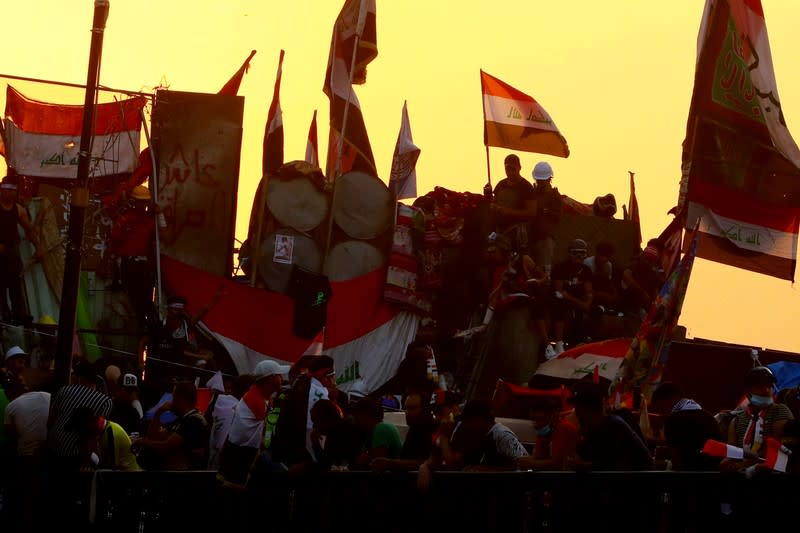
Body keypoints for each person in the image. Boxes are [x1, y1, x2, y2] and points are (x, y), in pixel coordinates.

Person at [217, 359, 290, 489]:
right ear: (270, 379)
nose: (282, 378)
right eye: (279, 375)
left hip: (244, 454)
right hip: (240, 458)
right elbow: (255, 437)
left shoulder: (264, 397)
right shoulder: (255, 400)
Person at [720, 366, 794, 474]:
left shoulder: (780, 411)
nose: (766, 390)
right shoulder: (736, 421)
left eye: (769, 386)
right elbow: (732, 454)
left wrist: (746, 464)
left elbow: (780, 450)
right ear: (748, 392)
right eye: (760, 386)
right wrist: (727, 463)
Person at [107, 184, 156, 333]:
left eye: (145, 202)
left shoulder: (149, 222)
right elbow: (113, 242)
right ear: (134, 202)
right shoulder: (125, 220)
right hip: (128, 264)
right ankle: (138, 324)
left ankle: (144, 326)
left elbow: (163, 239)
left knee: (144, 299)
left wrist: (160, 216)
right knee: (135, 297)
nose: (143, 205)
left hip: (143, 266)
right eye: (140, 202)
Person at [134, 381, 210, 470]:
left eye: (174, 398)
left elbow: (165, 446)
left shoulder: (195, 421)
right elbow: (153, 436)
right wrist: (159, 412)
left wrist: (142, 442)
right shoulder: (180, 420)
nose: (171, 402)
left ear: (182, 399)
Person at [649, 381, 721, 471]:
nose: (660, 414)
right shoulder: (707, 416)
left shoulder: (672, 421)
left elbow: (678, 464)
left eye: (661, 408)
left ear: (673, 399)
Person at [0, 178, 40, 325]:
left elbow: (29, 230)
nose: (7, 193)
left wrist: (39, 248)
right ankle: (4, 313)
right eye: (5, 190)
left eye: (11, 190)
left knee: (15, 285)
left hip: (11, 253)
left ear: (15, 192)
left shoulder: (19, 210)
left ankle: (19, 314)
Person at [547, 238, 593, 357]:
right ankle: (558, 344)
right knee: (559, 303)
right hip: (562, 299)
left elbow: (589, 292)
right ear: (569, 254)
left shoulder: (587, 270)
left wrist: (587, 302)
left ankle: (584, 341)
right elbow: (559, 291)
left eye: (582, 253)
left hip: (576, 299)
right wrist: (579, 302)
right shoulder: (560, 267)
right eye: (575, 252)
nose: (578, 256)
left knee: (595, 309)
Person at [487, 154, 537, 253]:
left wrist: (507, 211)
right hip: (499, 230)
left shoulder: (526, 187)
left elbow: (531, 213)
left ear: (519, 168)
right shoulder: (501, 185)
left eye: (513, 168)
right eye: (507, 168)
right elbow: (493, 203)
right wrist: (488, 197)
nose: (510, 172)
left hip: (518, 232)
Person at [69, 406, 141, 472]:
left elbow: (111, 469)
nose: (79, 434)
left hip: (129, 476)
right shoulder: (101, 432)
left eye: (80, 430)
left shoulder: (112, 434)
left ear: (89, 425)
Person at [529, 161, 563, 279]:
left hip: (545, 240)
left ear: (549, 179)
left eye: (542, 180)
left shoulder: (554, 195)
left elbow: (559, 216)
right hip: (531, 238)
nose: (540, 183)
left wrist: (547, 211)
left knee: (544, 271)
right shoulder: (531, 192)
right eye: (539, 180)